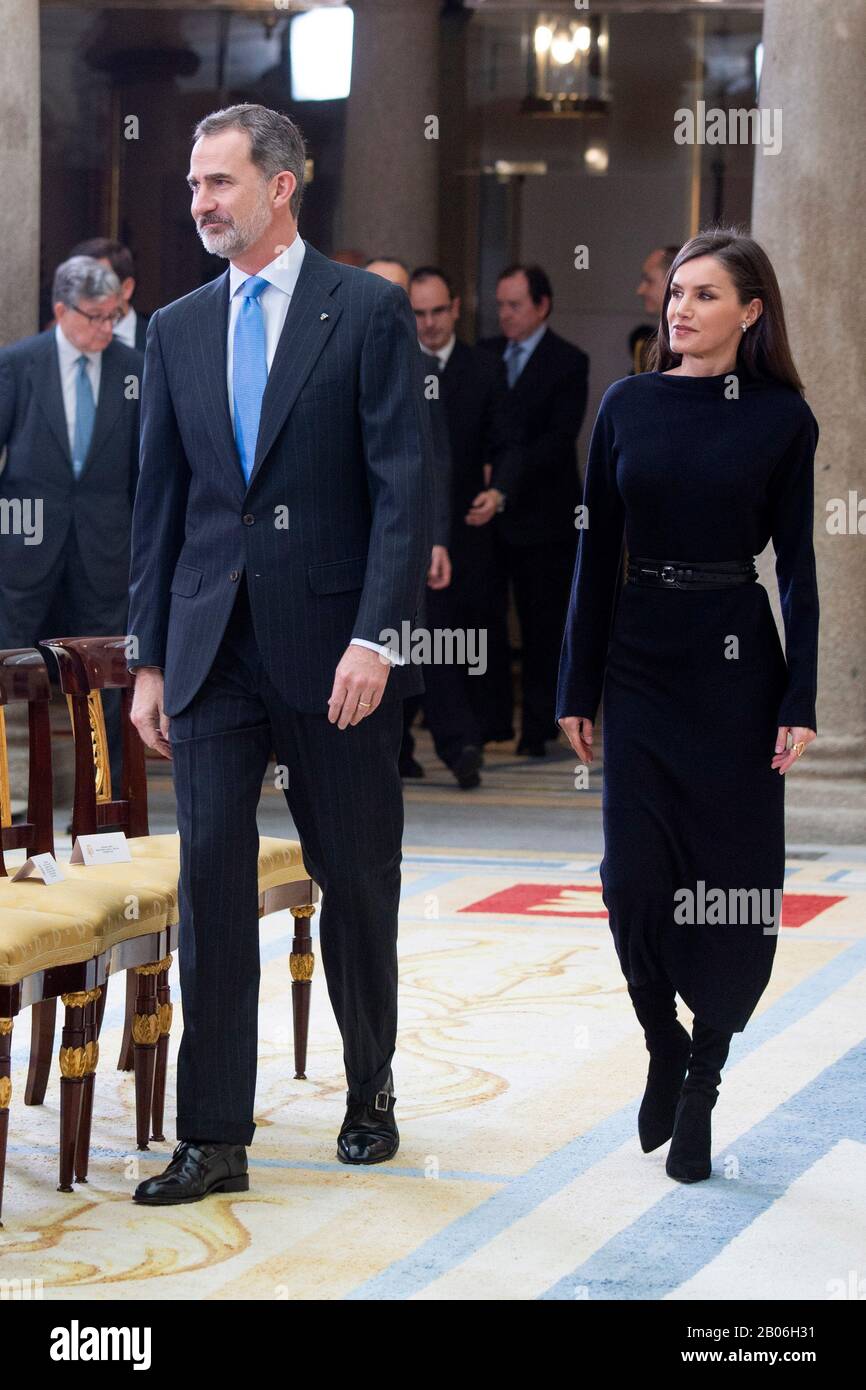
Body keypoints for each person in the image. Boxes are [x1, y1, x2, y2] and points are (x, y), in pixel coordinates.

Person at [127, 103, 432, 1205]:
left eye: (219, 182)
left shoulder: (365, 313)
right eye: (194, 185)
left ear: (281, 186)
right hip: (210, 652)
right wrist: (149, 657)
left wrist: (374, 636)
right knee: (208, 888)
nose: (200, 202)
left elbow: (404, 490)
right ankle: (212, 1136)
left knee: (354, 882)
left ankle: (370, 1086)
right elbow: (158, 507)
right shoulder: (171, 329)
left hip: (334, 653)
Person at [557, 227, 819, 1184]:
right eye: (677, 290)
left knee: (733, 881)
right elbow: (594, 554)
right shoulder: (627, 404)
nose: (682, 308)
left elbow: (797, 565)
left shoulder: (782, 418)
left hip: (737, 663)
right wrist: (574, 683)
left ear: (750, 313)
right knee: (632, 876)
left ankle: (703, 1079)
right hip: (640, 656)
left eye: (706, 295)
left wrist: (801, 694)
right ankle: (662, 1042)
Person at [0, 255, 141, 795]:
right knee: (13, 668)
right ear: (61, 310)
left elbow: (147, 469)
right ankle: (11, 792)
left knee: (105, 673)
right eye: (95, 317)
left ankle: (106, 798)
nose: (106, 328)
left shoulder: (135, 369)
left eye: (114, 316)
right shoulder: (19, 363)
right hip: (25, 546)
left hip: (106, 547)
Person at [478, 264, 589, 756]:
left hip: (543, 516)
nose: (505, 314)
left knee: (543, 626)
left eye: (515, 305)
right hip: (485, 516)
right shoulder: (481, 355)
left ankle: (539, 726)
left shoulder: (569, 361)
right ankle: (494, 720)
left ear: (541, 306)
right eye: (500, 304)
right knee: (485, 621)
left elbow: (557, 439)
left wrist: (503, 478)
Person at [70, 237, 150, 352]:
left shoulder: (159, 340)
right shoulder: (67, 336)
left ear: (126, 288)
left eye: (98, 284)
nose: (87, 294)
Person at [630, 244, 680, 373]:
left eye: (649, 280)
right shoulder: (649, 346)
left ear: (673, 282)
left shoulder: (687, 348)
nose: (640, 290)